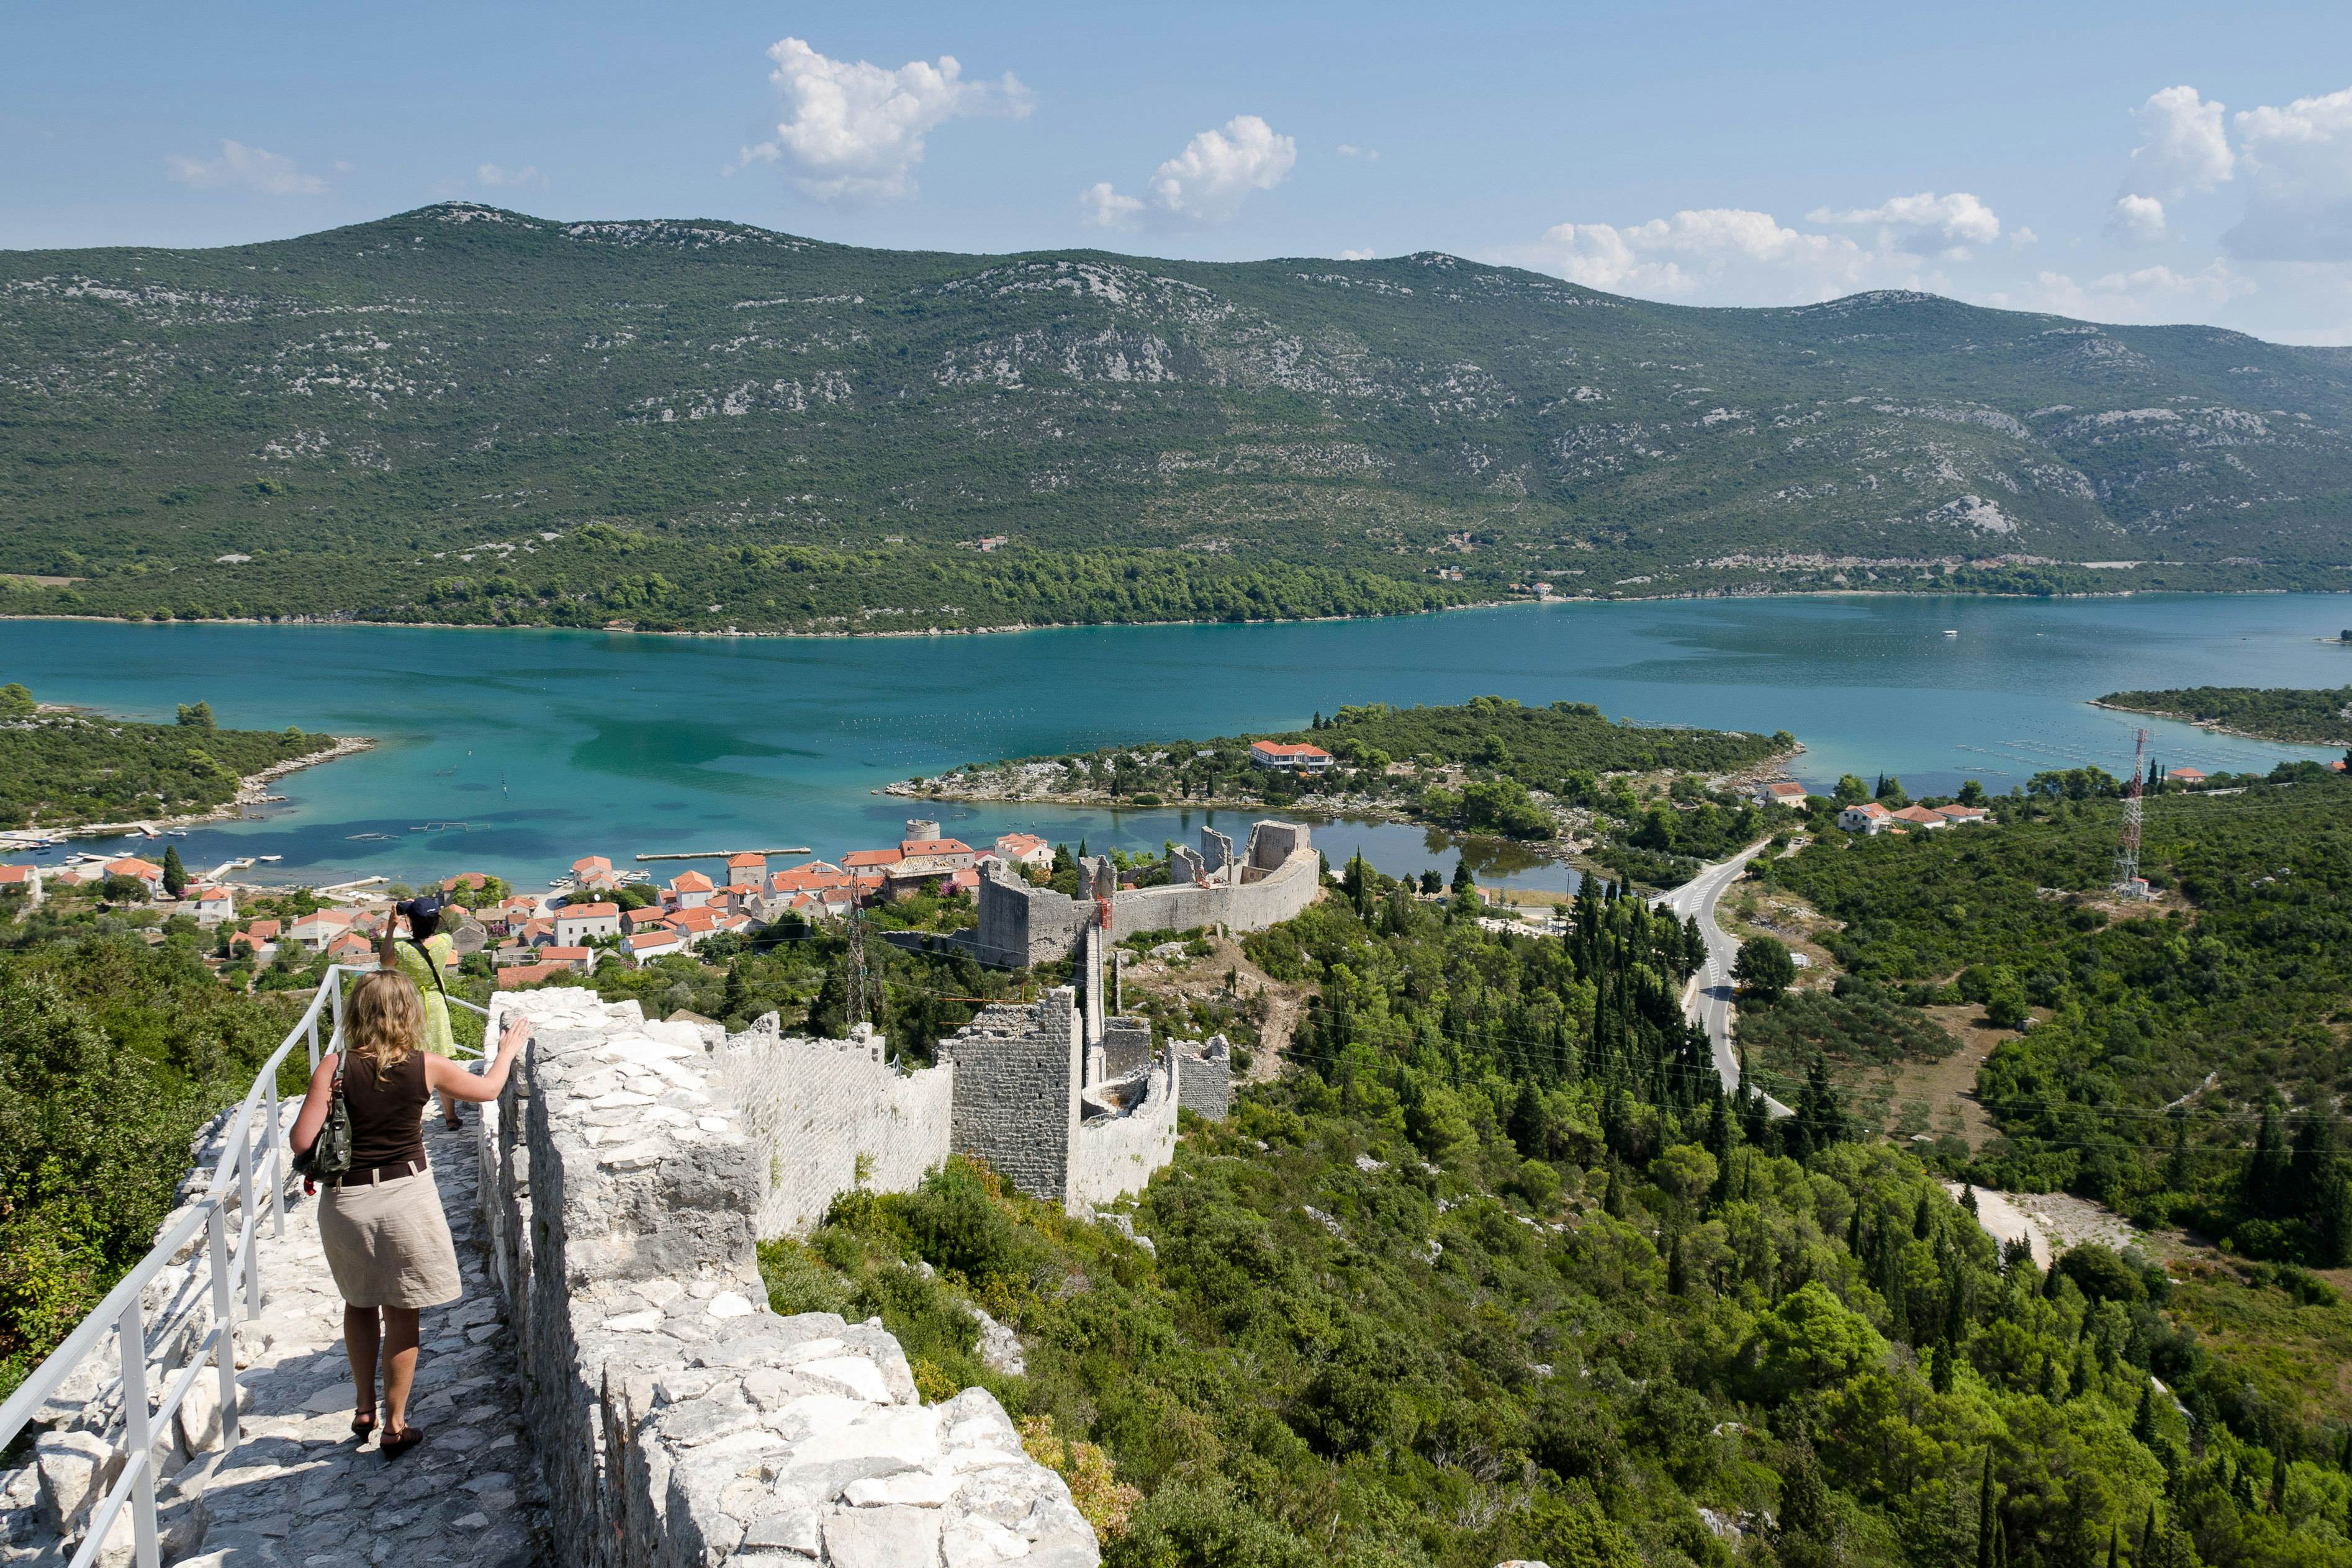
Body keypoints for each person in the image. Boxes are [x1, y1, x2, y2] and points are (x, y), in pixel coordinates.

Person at [290, 971, 528, 1459]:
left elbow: (300, 1143)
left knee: (358, 1303)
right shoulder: (427, 1066)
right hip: (405, 1196)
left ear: (357, 1013)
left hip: (346, 1201)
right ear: (409, 1014)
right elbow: (486, 1092)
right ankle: (395, 1424)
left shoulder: (332, 1069)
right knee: (403, 1310)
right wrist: (505, 1052)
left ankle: (362, 1406)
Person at [382, 896, 464, 1129]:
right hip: (437, 1004)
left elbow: (384, 962)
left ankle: (412, 1121)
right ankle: (450, 1117)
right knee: (441, 1060)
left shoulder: (401, 949)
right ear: (435, 920)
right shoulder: (445, 942)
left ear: (411, 922)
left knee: (410, 1063)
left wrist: (391, 926)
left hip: (411, 1006)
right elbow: (441, 931)